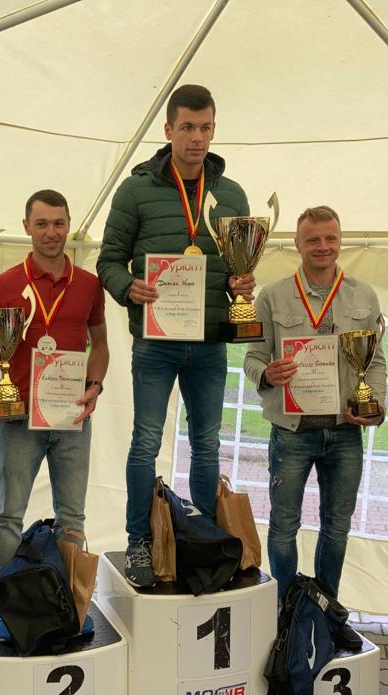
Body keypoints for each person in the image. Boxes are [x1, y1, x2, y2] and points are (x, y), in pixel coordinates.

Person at [97, 83, 254, 588]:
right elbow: (108, 261)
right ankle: (139, 541)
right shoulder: (135, 190)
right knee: (145, 443)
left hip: (209, 342)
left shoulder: (231, 195)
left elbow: (236, 265)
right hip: (156, 343)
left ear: (214, 130)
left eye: (205, 128)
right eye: (187, 127)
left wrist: (240, 283)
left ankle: (205, 540)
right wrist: (128, 287)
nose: (197, 138)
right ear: (168, 130)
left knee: (206, 444)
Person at [0, 189, 108, 640]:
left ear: (69, 226)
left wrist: (94, 386)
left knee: (73, 518)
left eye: (59, 223)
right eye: (42, 223)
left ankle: (70, 606)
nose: (52, 232)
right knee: (9, 515)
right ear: (27, 227)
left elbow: (100, 345)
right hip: (19, 417)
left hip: (71, 417)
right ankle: (4, 607)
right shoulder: (5, 283)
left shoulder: (88, 284)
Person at [243, 205, 385, 616]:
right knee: (284, 526)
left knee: (337, 528)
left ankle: (325, 611)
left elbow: (375, 360)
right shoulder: (272, 296)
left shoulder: (363, 295)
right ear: (297, 244)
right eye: (313, 240)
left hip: (344, 430)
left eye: (330, 238)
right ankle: (285, 611)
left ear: (340, 241)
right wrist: (267, 373)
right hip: (292, 431)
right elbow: (252, 358)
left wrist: (374, 405)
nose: (323, 246)